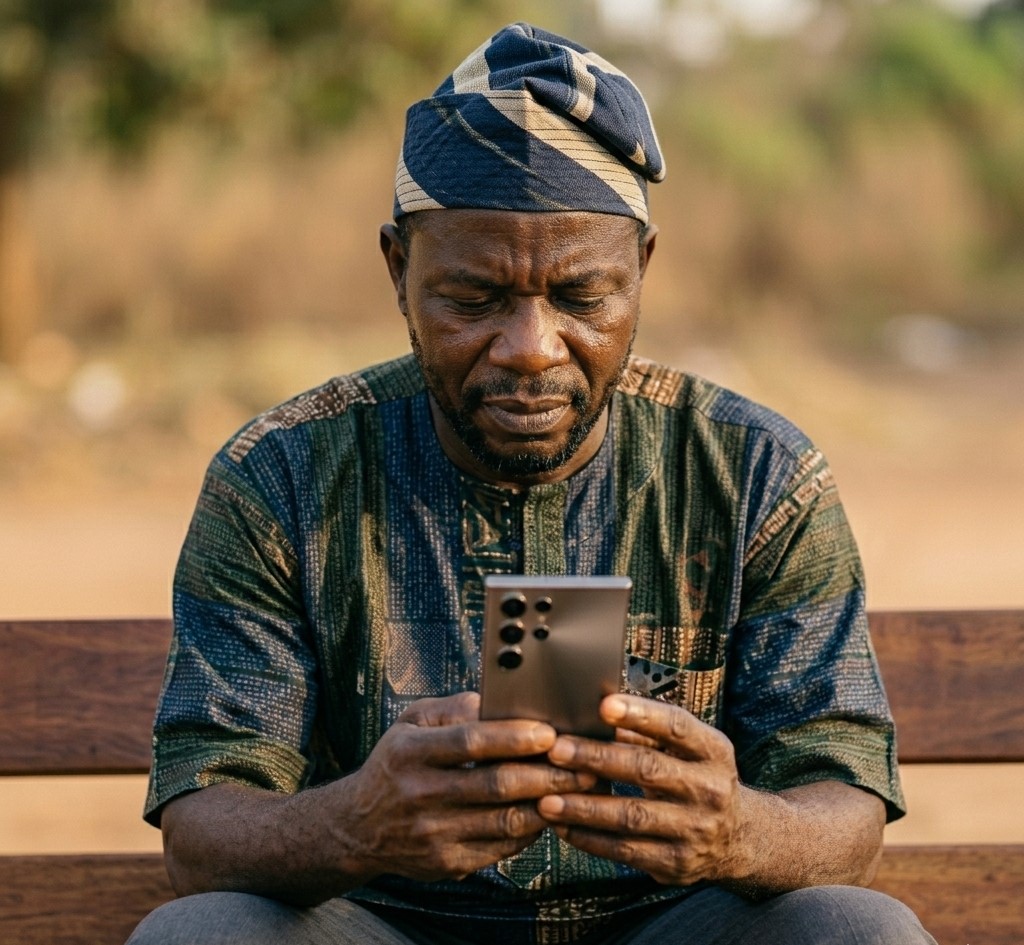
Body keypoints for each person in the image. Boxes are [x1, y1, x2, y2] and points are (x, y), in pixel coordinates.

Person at [128, 22, 936, 945]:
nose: (530, 349)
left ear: (642, 271)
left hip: (670, 926)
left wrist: (740, 831)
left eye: (583, 299)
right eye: (472, 300)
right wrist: (358, 821)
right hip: (383, 926)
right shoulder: (279, 480)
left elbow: (846, 808)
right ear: (399, 271)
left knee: (858, 929)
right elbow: (202, 831)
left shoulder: (756, 476)